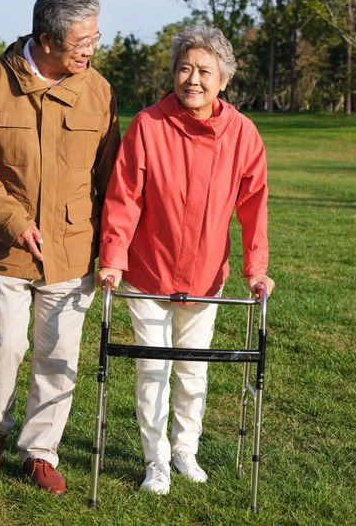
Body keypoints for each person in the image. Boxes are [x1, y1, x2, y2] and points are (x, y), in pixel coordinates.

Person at [0, 0, 120, 494]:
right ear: (46, 40)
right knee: (2, 348)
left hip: (73, 253)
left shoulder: (98, 89)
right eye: (81, 42)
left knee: (59, 356)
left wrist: (112, 247)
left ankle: (40, 451)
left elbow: (112, 176)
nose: (91, 50)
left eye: (95, 38)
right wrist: (15, 221)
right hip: (5, 249)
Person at [95, 24, 275, 495]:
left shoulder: (242, 133)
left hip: (205, 277)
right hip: (147, 272)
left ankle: (184, 450)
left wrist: (256, 268)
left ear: (224, 79)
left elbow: (253, 204)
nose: (192, 79)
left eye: (204, 71)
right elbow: (124, 197)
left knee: (194, 369)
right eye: (184, 68)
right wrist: (113, 257)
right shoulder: (148, 124)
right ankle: (155, 460)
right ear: (173, 73)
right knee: (153, 368)